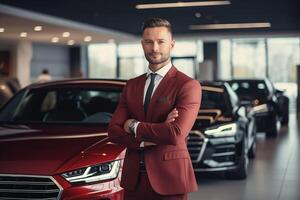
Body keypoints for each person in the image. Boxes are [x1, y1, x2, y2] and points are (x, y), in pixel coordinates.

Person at [108, 18, 201, 200]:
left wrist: (133, 126)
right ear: (142, 44)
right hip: (134, 179)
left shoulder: (188, 85)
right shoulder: (132, 85)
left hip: (170, 179)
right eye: (149, 42)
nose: (155, 48)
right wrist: (144, 141)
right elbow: (113, 131)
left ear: (172, 45)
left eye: (161, 42)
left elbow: (175, 133)